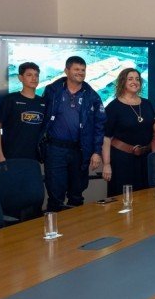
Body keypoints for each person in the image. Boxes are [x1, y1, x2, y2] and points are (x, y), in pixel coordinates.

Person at [39, 56, 106, 210]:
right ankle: (54, 231)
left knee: (76, 195)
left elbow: (99, 125)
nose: (80, 73)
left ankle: (77, 232)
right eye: (76, 69)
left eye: (83, 70)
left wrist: (96, 152)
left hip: (79, 150)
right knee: (56, 195)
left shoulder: (92, 96)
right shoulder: (52, 91)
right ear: (66, 71)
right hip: (55, 150)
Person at [102, 68, 155, 197]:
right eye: (130, 79)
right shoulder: (113, 107)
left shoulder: (147, 104)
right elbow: (106, 138)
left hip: (145, 159)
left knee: (145, 199)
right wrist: (106, 164)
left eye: (137, 79)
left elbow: (153, 133)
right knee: (122, 199)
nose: (135, 82)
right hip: (121, 160)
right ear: (123, 82)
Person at [0, 62, 45, 162]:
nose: (34, 78)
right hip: (11, 156)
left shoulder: (43, 102)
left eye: (36, 75)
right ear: (20, 78)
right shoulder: (10, 100)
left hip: (34, 158)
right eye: (29, 75)